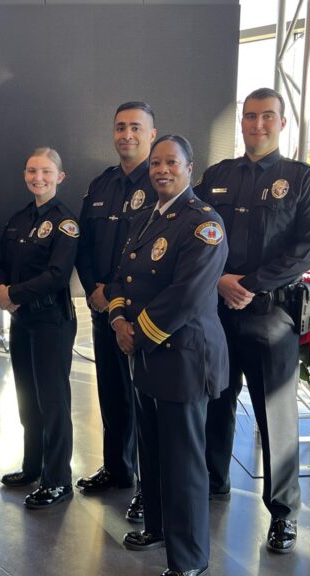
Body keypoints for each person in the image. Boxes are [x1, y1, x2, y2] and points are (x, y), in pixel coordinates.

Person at [198, 88, 310, 554]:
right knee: (216, 399)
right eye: (250, 117)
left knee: (276, 417)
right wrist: (219, 282)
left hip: (271, 313)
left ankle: (284, 514)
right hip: (217, 310)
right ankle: (213, 482)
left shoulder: (301, 179)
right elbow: (196, 235)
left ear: (283, 122)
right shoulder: (217, 176)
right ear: (242, 122)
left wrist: (248, 283)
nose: (257, 125)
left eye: (267, 117)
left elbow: (309, 248)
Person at [109, 135, 228, 576]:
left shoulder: (203, 224)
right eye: (156, 163)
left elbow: (188, 296)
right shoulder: (146, 218)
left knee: (183, 465)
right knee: (153, 454)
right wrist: (119, 321)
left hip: (183, 358)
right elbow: (121, 277)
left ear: (189, 168)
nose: (161, 169)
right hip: (146, 356)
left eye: (171, 163)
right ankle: (157, 528)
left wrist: (136, 333)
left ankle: (190, 560)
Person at [75, 101, 157, 523]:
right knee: (109, 390)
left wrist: (117, 294)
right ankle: (117, 467)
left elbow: (154, 252)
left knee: (143, 398)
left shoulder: (162, 182)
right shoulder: (100, 185)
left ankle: (148, 484)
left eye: (135, 128)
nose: (127, 134)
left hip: (139, 313)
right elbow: (84, 245)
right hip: (102, 306)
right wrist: (93, 289)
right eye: (120, 127)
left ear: (151, 134)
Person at [0, 148, 79, 509]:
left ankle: (58, 479)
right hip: (23, 320)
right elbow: (0, 261)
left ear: (60, 177)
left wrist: (14, 293)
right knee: (27, 397)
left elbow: (58, 276)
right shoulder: (18, 219)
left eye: (46, 171)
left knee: (53, 401)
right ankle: (32, 467)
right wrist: (3, 291)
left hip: (52, 322)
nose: (37, 177)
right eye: (31, 171)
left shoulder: (66, 222)